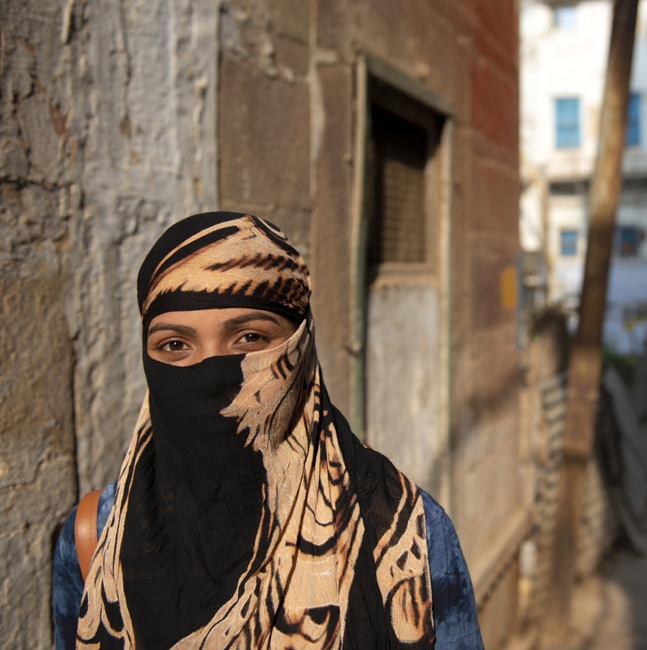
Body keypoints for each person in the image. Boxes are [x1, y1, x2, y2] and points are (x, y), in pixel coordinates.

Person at [52, 212, 483, 649]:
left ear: (300, 346)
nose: (211, 374)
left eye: (250, 338)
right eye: (175, 345)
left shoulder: (404, 533)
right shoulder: (98, 536)